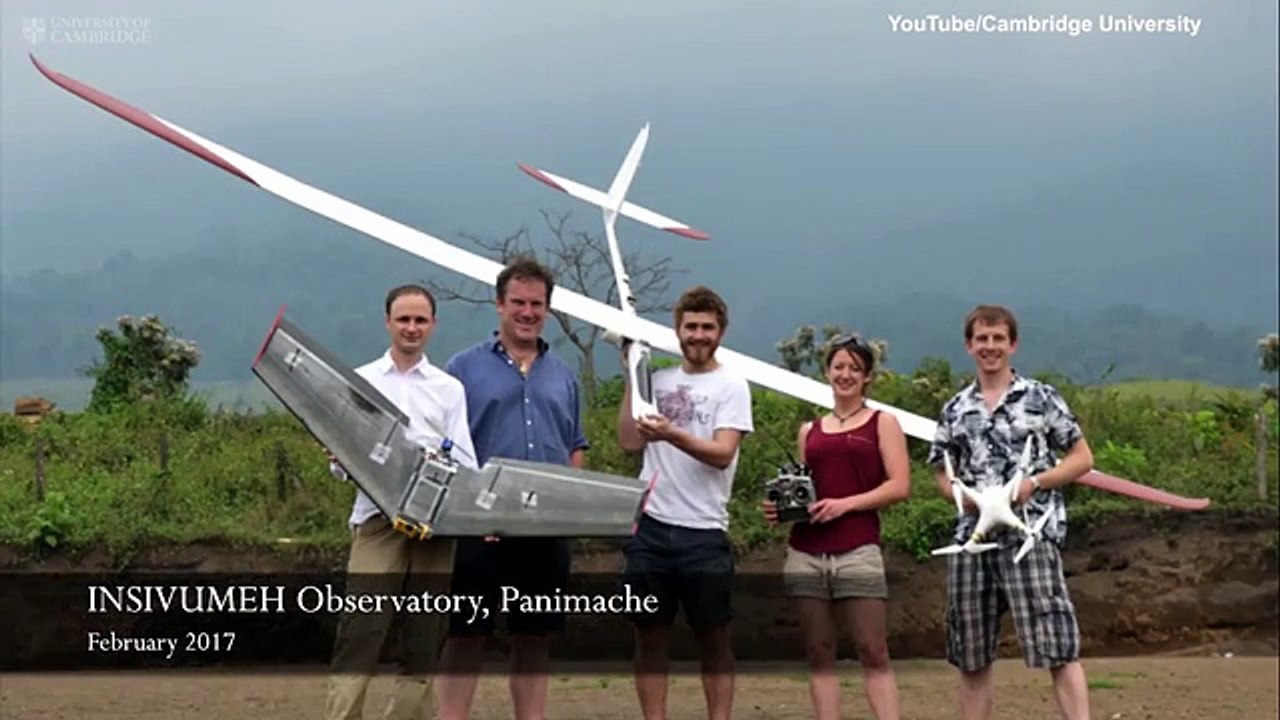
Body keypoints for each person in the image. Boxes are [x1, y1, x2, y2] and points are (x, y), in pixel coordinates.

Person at [436, 257, 589, 720]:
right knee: (466, 634)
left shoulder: (563, 376)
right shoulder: (462, 368)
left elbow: (574, 446)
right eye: (518, 302)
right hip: (478, 528)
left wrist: (569, 509)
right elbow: (444, 447)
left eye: (536, 304)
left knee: (534, 637)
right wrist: (467, 511)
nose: (527, 312)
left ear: (548, 309)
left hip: (545, 529)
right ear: (499, 305)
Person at [927, 304, 1095, 720]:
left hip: (1030, 537)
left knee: (1058, 645)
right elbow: (941, 473)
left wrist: (1034, 483)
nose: (990, 347)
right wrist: (961, 496)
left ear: (1013, 345)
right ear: (969, 346)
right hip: (972, 542)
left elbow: (1081, 458)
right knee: (970, 654)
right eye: (982, 339)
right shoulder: (954, 408)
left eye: (998, 338)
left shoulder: (1041, 398)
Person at [325, 284, 478, 720]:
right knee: (361, 630)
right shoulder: (361, 381)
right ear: (388, 322)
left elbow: (466, 458)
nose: (412, 328)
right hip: (376, 518)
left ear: (433, 325)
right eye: (404, 319)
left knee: (425, 635)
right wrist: (340, 460)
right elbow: (342, 463)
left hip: (435, 525)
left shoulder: (449, 389)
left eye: (420, 320)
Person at [617, 285, 754, 720]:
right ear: (677, 330)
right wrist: (632, 374)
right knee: (649, 635)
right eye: (690, 326)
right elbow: (628, 440)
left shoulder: (732, 385)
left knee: (713, 637)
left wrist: (671, 433)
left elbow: (723, 453)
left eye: (706, 327)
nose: (698, 335)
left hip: (704, 531)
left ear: (721, 332)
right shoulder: (656, 382)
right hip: (651, 527)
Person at [762, 333, 908, 720]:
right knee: (819, 653)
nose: (845, 375)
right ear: (827, 372)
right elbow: (804, 487)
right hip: (806, 552)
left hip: (858, 549)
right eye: (839, 366)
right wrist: (782, 510)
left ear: (867, 376)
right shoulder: (809, 431)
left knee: (872, 649)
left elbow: (899, 485)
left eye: (854, 369)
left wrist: (846, 505)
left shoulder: (883, 423)